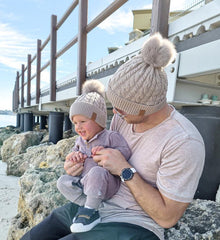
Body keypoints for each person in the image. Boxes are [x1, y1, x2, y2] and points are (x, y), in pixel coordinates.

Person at [20, 33, 205, 240]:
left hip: (131, 222)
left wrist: (125, 170)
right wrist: (75, 166)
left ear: (146, 108)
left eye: (122, 108)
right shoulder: (125, 119)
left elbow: (167, 217)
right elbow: (95, 155)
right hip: (93, 204)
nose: (115, 114)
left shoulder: (183, 142)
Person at [57, 80, 131, 233]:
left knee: (97, 172)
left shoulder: (110, 136)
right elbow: (72, 153)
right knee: (62, 181)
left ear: (98, 120)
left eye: (83, 121)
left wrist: (107, 150)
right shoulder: (80, 140)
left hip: (106, 182)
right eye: (75, 123)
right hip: (85, 183)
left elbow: (125, 152)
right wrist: (74, 156)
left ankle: (89, 210)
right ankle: (90, 204)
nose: (78, 127)